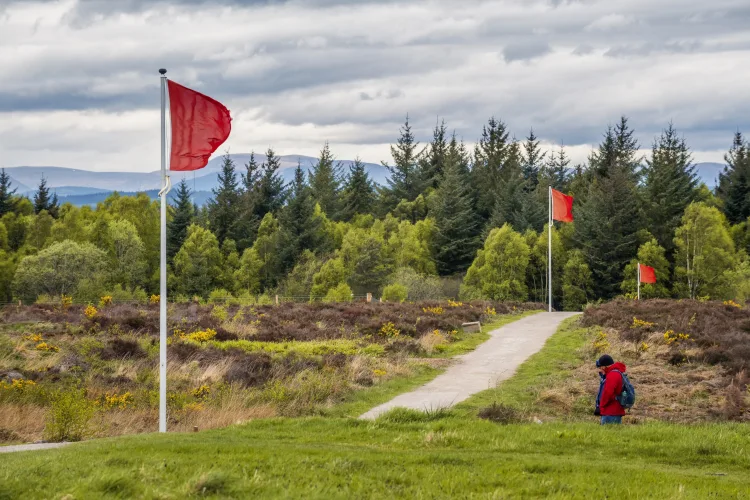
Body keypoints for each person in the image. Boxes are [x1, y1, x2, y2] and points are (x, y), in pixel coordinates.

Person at [594, 354, 627, 425]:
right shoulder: (615, 373)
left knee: (607, 435)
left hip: (610, 413)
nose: (600, 369)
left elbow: (608, 393)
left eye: (601, 366)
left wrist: (601, 407)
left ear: (604, 366)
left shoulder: (613, 374)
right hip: (614, 412)